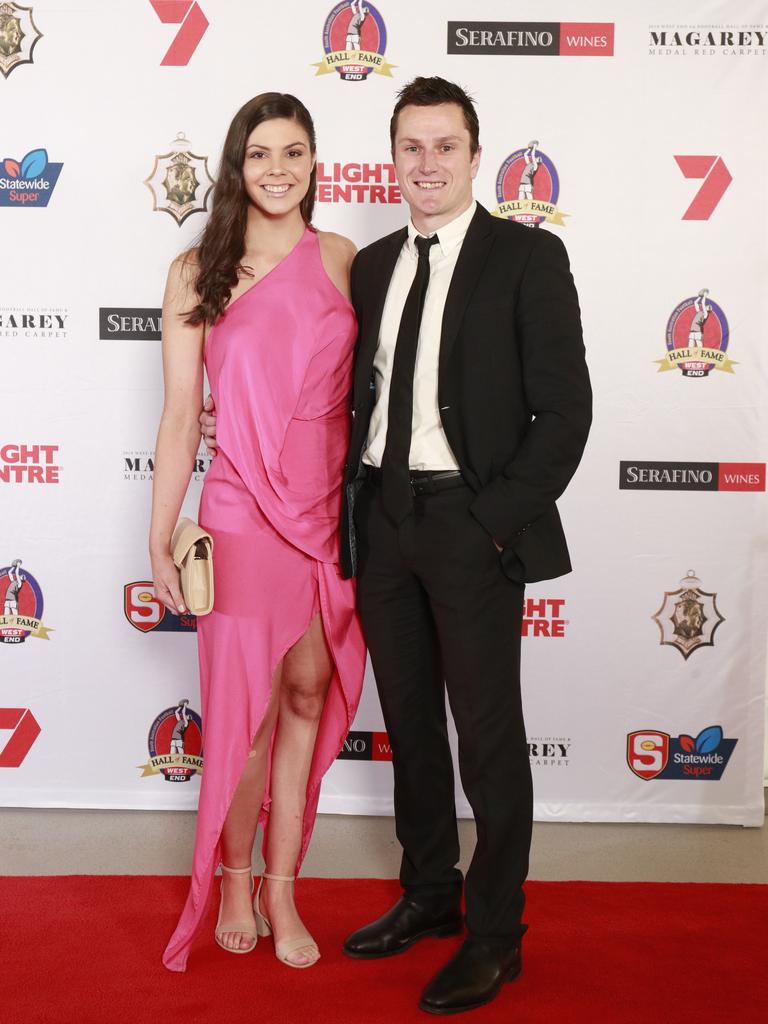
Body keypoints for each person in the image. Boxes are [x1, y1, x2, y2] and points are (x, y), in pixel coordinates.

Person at [201, 76, 591, 1014]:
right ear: (391, 159)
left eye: (444, 147)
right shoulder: (366, 265)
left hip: (471, 523)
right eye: (410, 148)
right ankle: (429, 895)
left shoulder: (526, 258)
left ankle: (497, 935)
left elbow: (566, 414)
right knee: (411, 726)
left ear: (472, 152)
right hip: (378, 526)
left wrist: (493, 518)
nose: (427, 164)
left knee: (487, 738)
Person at [150, 92, 366, 973]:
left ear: (316, 163)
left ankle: (284, 883)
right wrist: (159, 537)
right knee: (243, 718)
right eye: (260, 154)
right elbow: (176, 418)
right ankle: (236, 877)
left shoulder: (347, 257)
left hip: (326, 513)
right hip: (239, 511)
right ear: (237, 167)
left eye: (295, 152)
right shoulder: (198, 268)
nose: (278, 169)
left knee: (309, 696)